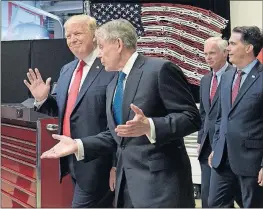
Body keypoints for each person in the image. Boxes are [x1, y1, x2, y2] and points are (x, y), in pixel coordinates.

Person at [41, 19, 201, 208]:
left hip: (160, 186)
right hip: (127, 187)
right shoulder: (114, 83)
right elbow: (117, 133)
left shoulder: (159, 69)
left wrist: (150, 126)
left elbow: (191, 117)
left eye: (101, 47)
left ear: (118, 44)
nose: (99, 54)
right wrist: (78, 145)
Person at [24, 15, 116, 208]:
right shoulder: (68, 69)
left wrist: (116, 165)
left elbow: (118, 121)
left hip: (100, 163)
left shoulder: (110, 68)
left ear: (95, 35)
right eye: (68, 36)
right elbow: (60, 110)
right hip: (72, 161)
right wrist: (42, 99)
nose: (72, 39)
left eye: (78, 33)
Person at [208, 26, 263, 208]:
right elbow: (222, 117)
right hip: (222, 158)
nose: (227, 48)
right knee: (215, 203)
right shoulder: (227, 76)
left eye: (232, 43)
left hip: (251, 162)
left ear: (248, 48)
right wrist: (216, 145)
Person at [198, 37, 243, 208]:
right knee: (208, 199)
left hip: (228, 147)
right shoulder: (205, 80)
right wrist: (200, 139)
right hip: (207, 147)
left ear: (225, 53)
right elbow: (203, 114)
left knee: (238, 197)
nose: (208, 57)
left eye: (212, 53)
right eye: (205, 53)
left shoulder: (237, 77)